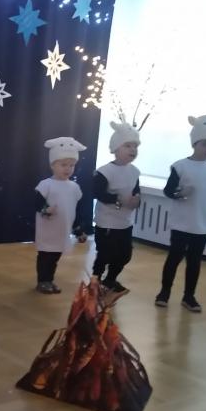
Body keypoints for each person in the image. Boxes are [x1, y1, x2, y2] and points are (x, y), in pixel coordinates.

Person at [155, 115, 206, 313]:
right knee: (174, 258)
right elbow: (168, 191)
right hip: (181, 224)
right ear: (195, 143)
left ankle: (189, 296)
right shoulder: (181, 166)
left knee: (194, 262)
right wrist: (179, 193)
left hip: (202, 225)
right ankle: (164, 292)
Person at [92, 122, 141, 294]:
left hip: (125, 223)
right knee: (105, 254)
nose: (132, 149)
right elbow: (97, 193)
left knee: (125, 255)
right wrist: (118, 200)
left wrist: (136, 201)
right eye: (127, 145)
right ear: (115, 148)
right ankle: (95, 282)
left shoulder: (134, 171)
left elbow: (136, 191)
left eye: (135, 146)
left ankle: (110, 280)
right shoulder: (105, 171)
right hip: (107, 223)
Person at [35, 137, 88, 294]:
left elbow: (76, 210)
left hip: (62, 231)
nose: (68, 169)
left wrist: (79, 230)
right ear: (53, 165)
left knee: (55, 257)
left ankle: (49, 280)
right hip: (47, 231)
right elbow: (36, 203)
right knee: (45, 256)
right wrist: (46, 209)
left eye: (71, 165)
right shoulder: (46, 185)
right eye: (63, 165)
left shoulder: (74, 187)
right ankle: (42, 281)